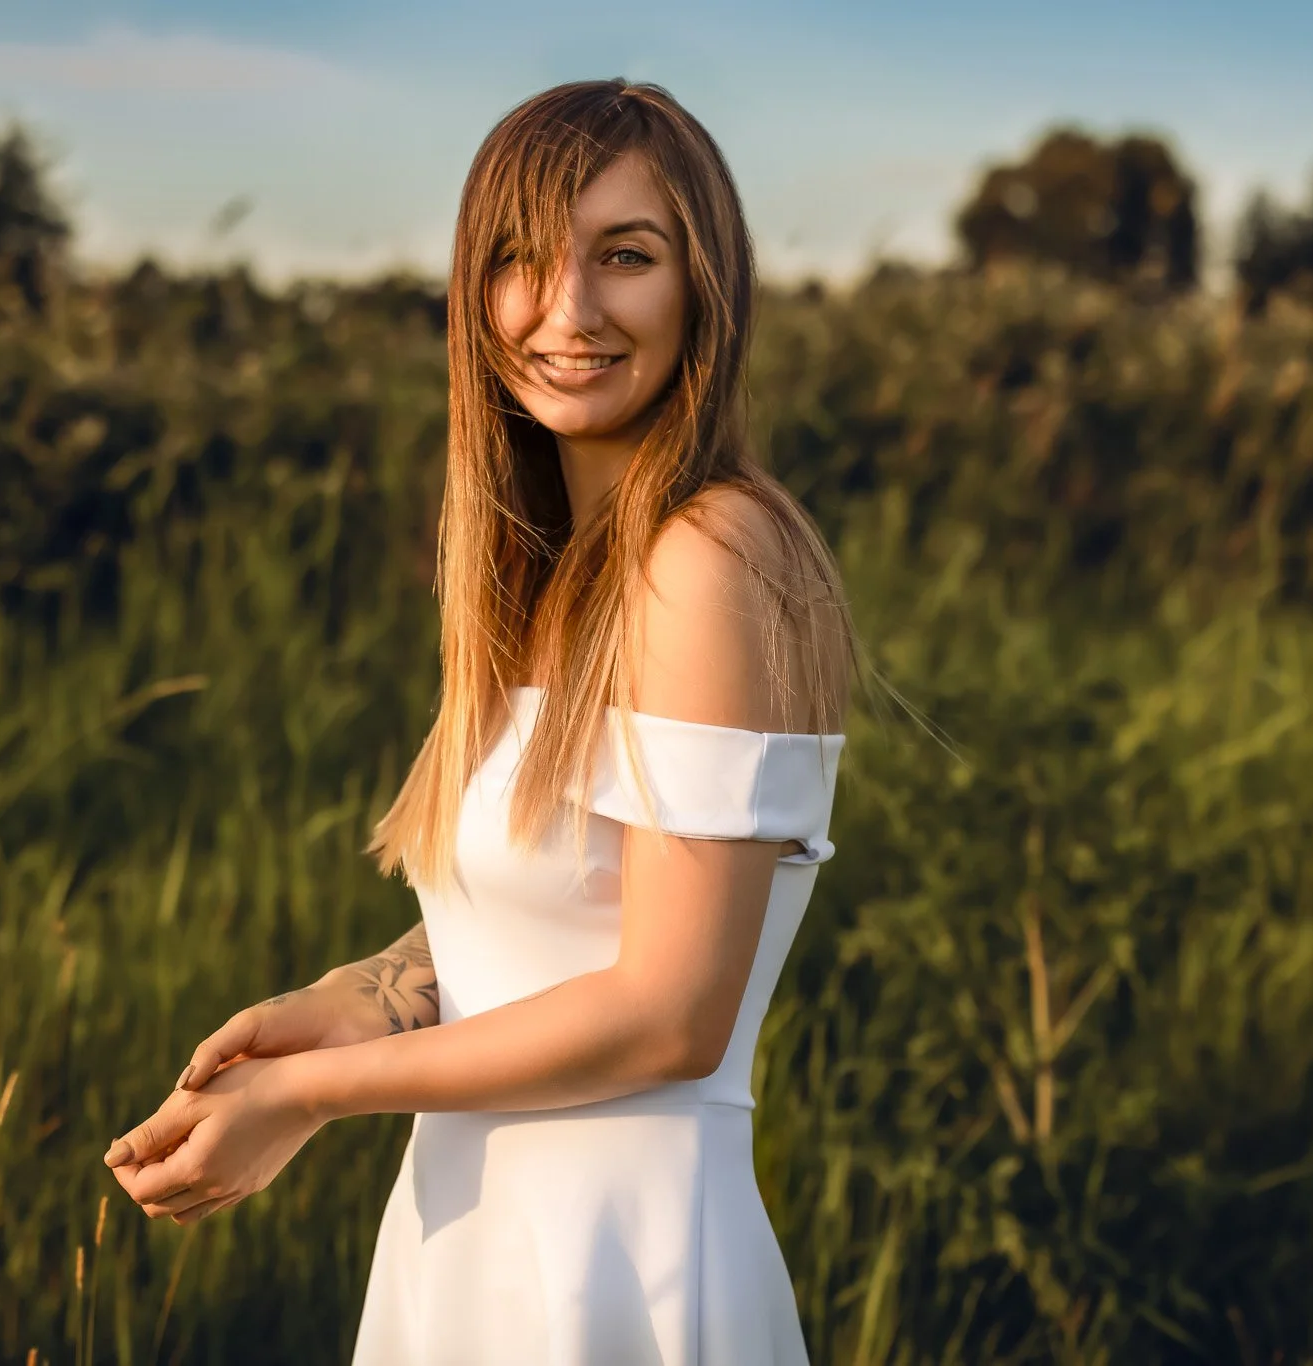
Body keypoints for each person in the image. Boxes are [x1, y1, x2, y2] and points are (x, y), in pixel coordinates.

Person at [102, 78, 863, 1365]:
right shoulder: (555, 578)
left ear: (705, 289)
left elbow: (672, 1006)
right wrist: (365, 997)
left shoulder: (709, 553)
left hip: (612, 1253)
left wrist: (305, 1095)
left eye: (625, 255)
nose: (564, 310)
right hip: (475, 1233)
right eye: (518, 259)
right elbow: (580, 905)